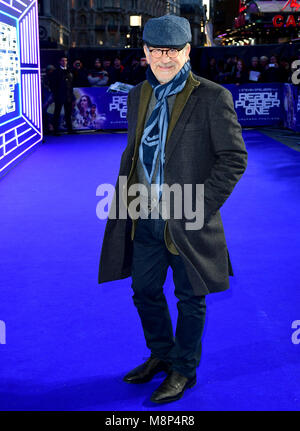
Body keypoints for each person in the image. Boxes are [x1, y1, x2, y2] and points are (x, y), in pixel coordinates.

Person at [98, 15, 248, 404]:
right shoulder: (137, 96)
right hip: (143, 214)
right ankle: (161, 354)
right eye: (157, 51)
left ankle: (184, 369)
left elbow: (233, 158)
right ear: (146, 52)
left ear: (187, 51)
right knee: (144, 290)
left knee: (189, 296)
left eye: (174, 51)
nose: (165, 59)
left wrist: (199, 207)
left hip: (188, 219)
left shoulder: (213, 96)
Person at [49, 57, 74, 134]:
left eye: (65, 60)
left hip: (68, 95)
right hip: (59, 95)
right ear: (60, 62)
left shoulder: (70, 71)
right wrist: (56, 94)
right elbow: (53, 84)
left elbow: (71, 84)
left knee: (68, 113)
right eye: (62, 60)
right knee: (57, 113)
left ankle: (70, 129)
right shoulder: (56, 72)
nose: (64, 62)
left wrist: (71, 95)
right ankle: (55, 130)